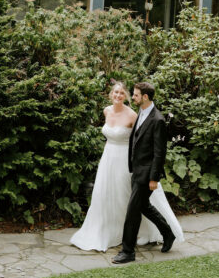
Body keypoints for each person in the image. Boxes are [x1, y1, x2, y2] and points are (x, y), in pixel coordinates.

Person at [71, 81, 183, 254]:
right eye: (115, 92)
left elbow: (154, 149)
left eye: (124, 93)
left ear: (133, 97)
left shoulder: (137, 116)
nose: (118, 95)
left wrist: (153, 176)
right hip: (109, 160)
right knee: (115, 198)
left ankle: (130, 248)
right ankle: (114, 232)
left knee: (133, 204)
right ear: (111, 94)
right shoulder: (110, 111)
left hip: (128, 163)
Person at [112, 82, 178, 264]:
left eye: (135, 95)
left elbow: (159, 152)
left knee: (133, 211)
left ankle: (127, 251)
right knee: (143, 206)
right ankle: (168, 233)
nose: (132, 97)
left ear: (145, 97)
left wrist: (154, 178)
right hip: (136, 170)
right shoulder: (141, 112)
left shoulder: (157, 120)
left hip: (146, 174)